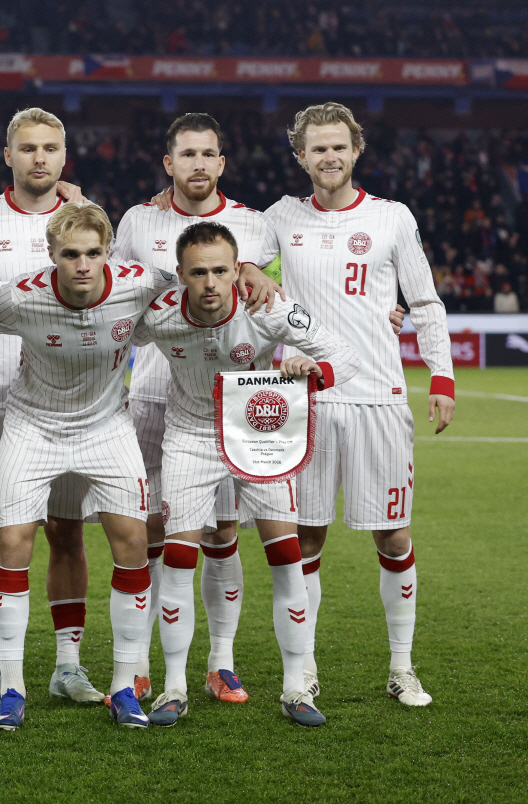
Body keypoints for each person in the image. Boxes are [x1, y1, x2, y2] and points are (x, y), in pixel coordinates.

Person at [263, 102, 455, 706]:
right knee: (307, 539)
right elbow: (220, 242)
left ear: (356, 150)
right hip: (307, 401)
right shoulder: (276, 219)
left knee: (393, 537)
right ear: (300, 157)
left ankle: (401, 667)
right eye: (317, 148)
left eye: (339, 147)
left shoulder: (393, 218)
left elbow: (423, 304)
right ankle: (304, 670)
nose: (329, 157)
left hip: (378, 397)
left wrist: (442, 378)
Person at [131, 220, 360, 727]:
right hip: (189, 438)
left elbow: (342, 354)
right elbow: (105, 332)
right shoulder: (161, 315)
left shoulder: (265, 308)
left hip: (257, 435)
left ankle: (297, 687)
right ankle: (172, 688)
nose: (210, 283)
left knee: (286, 558)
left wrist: (310, 371)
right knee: (177, 563)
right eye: (198, 273)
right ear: (180, 275)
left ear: (239, 270)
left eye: (220, 270)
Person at [109, 113, 279, 704]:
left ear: (222, 163)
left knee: (223, 532)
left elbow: (276, 297)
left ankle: (222, 662)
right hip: (154, 393)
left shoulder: (255, 227)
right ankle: (140, 666)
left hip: (228, 406)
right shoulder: (139, 220)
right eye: (188, 155)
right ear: (169, 163)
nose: (198, 165)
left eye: (209, 154)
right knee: (153, 531)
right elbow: (115, 291)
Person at [0, 202, 160, 731]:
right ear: (51, 255)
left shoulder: (139, 283)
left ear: (109, 253)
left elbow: (197, 282)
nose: (83, 264)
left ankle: (123, 686)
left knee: (132, 543)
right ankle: (12, 688)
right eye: (70, 254)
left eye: (94, 253)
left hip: (107, 428)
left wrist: (250, 272)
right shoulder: (21, 296)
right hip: (32, 428)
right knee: (13, 544)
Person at [0, 107, 100, 705]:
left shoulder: (85, 225)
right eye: (28, 148)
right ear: (8, 156)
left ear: (64, 157)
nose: (39, 158)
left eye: (50, 148)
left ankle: (68, 664)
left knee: (67, 532)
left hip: (69, 406)